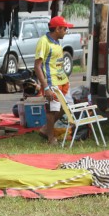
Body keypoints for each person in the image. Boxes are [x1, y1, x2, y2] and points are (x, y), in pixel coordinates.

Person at [33, 16, 73, 145]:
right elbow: (37, 66)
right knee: (52, 109)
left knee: (67, 108)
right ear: (57, 29)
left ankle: (45, 129)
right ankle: (51, 138)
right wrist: (45, 87)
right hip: (52, 83)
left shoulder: (57, 41)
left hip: (63, 81)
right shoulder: (43, 42)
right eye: (64, 28)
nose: (66, 31)